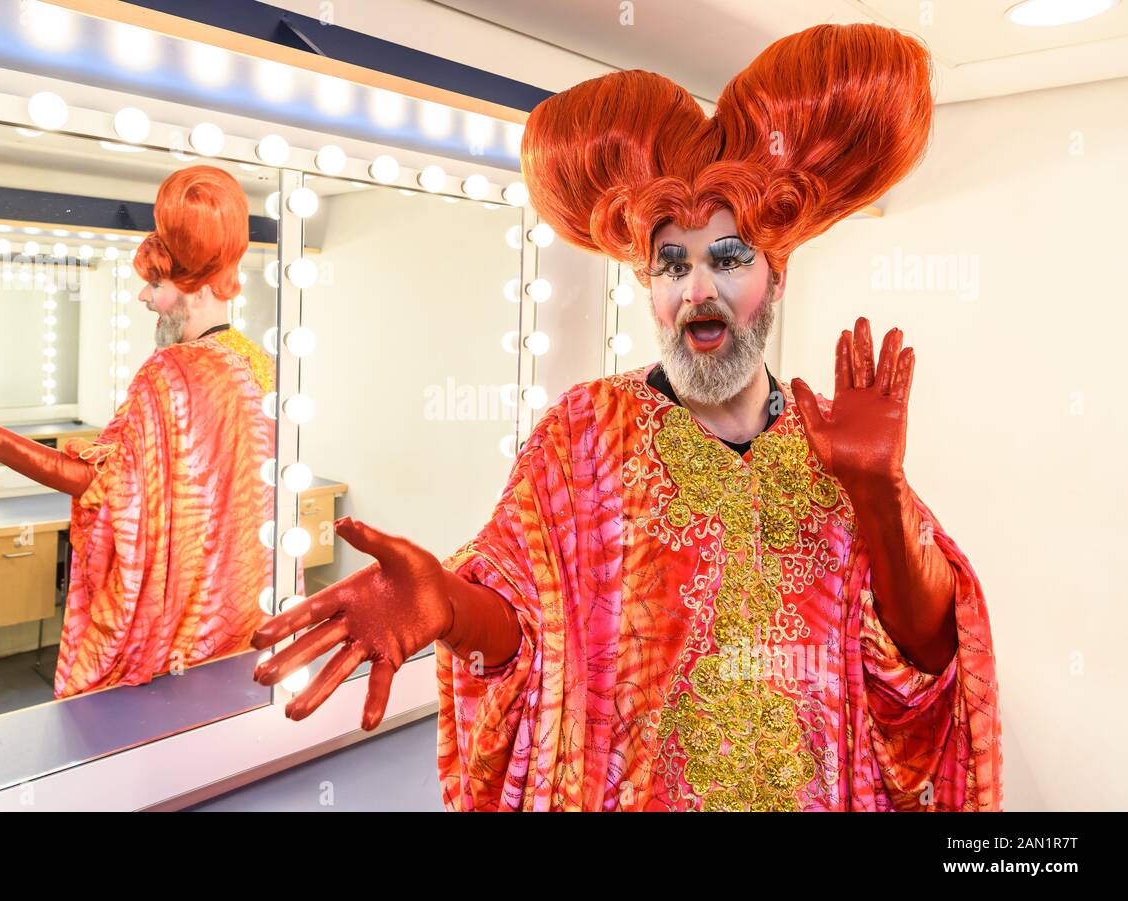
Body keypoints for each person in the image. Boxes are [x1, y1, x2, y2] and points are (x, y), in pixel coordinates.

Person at [250, 23, 1002, 811]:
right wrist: (446, 603)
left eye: (728, 257)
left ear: (775, 278)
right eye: (672, 263)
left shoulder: (832, 445)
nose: (695, 289)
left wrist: (879, 490)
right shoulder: (586, 436)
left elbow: (926, 661)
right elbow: (522, 634)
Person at [0, 165, 278, 699]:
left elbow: (106, 485)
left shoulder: (169, 371)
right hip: (242, 619)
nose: (145, 299)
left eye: (156, 285)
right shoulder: (259, 365)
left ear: (191, 288)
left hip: (174, 631)